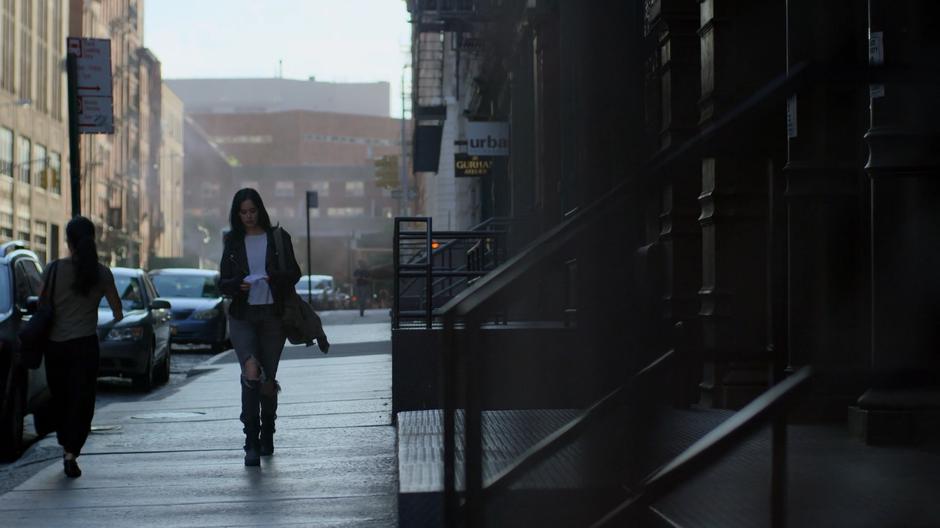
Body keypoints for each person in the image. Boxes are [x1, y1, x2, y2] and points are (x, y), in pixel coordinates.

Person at [219, 188, 301, 466]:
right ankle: (250, 441)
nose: (248, 216)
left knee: (267, 381)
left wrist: (273, 278)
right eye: (243, 212)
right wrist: (236, 285)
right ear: (237, 214)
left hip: (272, 316)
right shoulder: (232, 241)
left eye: (252, 211)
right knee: (251, 370)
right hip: (243, 315)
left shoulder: (278, 237)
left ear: (260, 210)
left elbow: (295, 274)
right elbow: (223, 282)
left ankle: (268, 433)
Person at [43, 216, 123, 478]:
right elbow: (118, 312)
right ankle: (71, 452)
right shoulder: (101, 273)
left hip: (55, 347)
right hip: (86, 346)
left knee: (61, 399)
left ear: (68, 241)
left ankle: (65, 444)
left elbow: (41, 304)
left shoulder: (53, 269)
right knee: (82, 401)